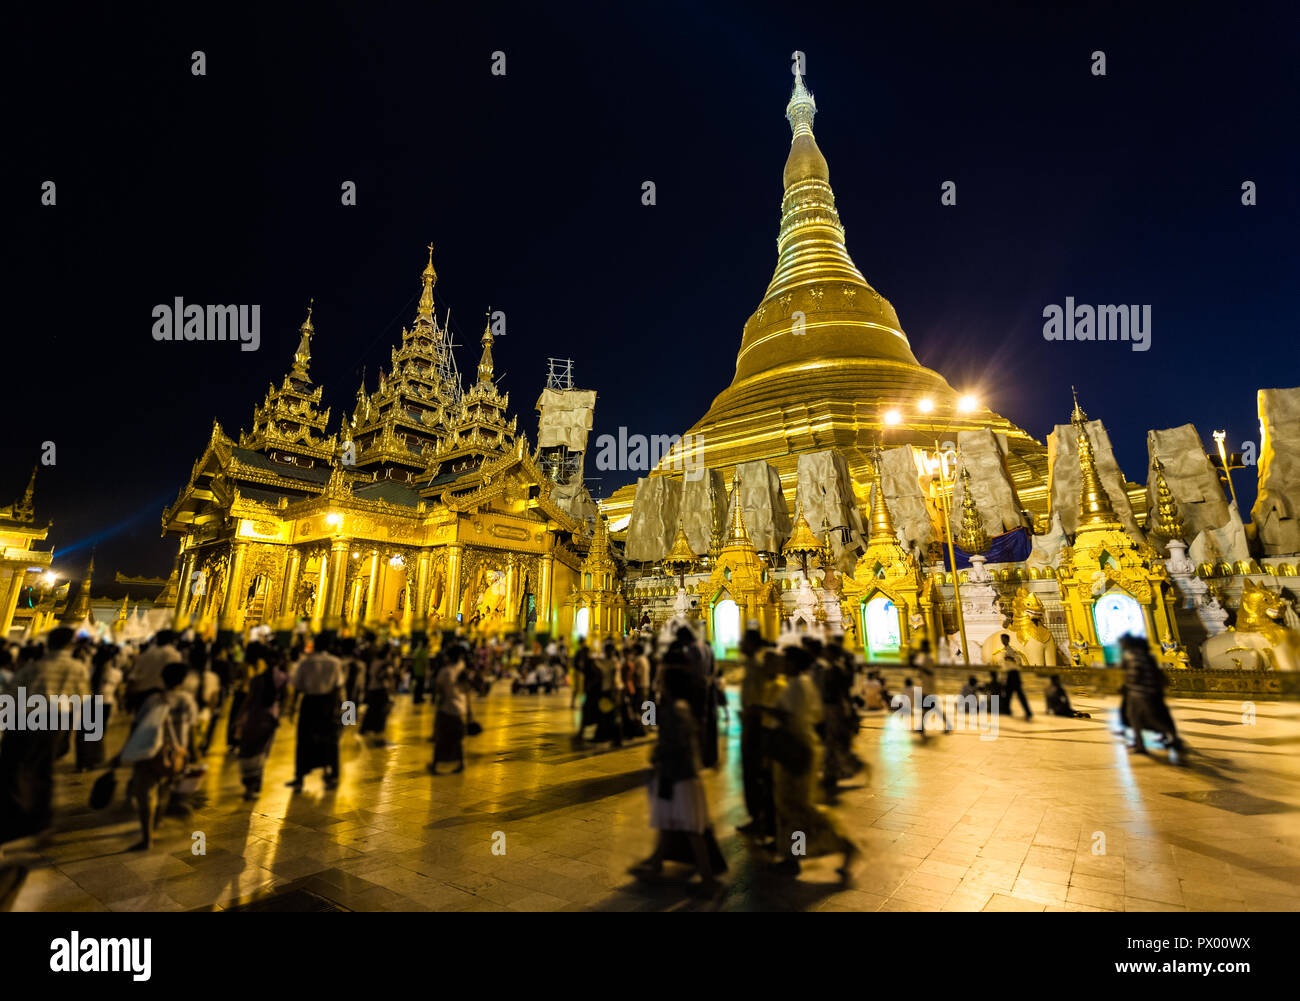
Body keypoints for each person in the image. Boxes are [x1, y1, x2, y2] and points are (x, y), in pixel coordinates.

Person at [629, 655, 725, 894]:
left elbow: (678, 744)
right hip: (677, 775)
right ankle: (657, 866)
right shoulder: (679, 708)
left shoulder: (676, 710)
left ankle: (708, 880)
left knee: (689, 828)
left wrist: (658, 756)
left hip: (680, 777)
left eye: (662, 681)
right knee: (668, 824)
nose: (659, 684)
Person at [765, 645, 857, 881]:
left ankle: (840, 846)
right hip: (799, 746)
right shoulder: (803, 684)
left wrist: (762, 712)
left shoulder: (797, 686)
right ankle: (792, 854)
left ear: (794, 664)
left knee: (798, 808)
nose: (782, 665)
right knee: (791, 806)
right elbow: (814, 715)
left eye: (786, 661)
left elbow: (790, 717)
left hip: (796, 749)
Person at [0, 628, 89, 847]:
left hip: (25, 719)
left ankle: (16, 815)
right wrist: (71, 731)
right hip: (55, 722)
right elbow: (82, 700)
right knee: (44, 770)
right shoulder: (77, 668)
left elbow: (10, 695)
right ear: (70, 645)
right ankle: (41, 823)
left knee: (17, 769)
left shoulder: (33, 667)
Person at [124, 661, 196, 851]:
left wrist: (127, 748)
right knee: (165, 789)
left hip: (152, 753)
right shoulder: (187, 700)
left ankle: (147, 837)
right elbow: (192, 728)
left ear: (163, 678)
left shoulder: (154, 700)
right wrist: (192, 752)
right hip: (177, 755)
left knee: (146, 793)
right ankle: (156, 824)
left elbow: (138, 726)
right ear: (183, 680)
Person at [287, 635, 346, 791]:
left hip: (309, 703)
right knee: (331, 740)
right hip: (328, 704)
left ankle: (299, 777)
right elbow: (339, 687)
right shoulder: (334, 662)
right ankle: (333, 774)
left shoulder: (305, 662)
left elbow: (297, 687)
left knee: (304, 739)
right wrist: (346, 711)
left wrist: (292, 708)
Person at [736, 630, 777, 842]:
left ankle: (764, 819)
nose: (740, 644)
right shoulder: (752, 664)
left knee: (756, 771)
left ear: (751, 644)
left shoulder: (762, 663)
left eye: (743, 641)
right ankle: (758, 817)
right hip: (751, 719)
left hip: (758, 721)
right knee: (751, 771)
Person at [235, 644, 290, 800]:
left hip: (254, 717)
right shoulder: (283, 678)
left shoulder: (257, 680)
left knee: (249, 751)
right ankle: (255, 784)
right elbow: (287, 697)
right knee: (261, 752)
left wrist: (238, 718)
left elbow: (248, 700)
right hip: (271, 718)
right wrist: (282, 714)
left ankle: (249, 786)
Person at [1121, 635, 1184, 760]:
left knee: (1148, 718)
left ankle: (1174, 739)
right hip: (1146, 692)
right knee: (1136, 718)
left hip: (1139, 693)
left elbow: (1134, 675)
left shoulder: (1134, 657)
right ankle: (1141, 745)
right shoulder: (1146, 656)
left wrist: (1126, 685)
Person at [429, 644, 471, 774]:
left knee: (441, 738)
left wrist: (437, 702)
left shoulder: (445, 671)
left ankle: (436, 764)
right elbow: (467, 689)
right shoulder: (461, 668)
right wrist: (469, 710)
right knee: (456, 738)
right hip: (460, 708)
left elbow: (439, 689)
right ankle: (460, 763)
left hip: (446, 708)